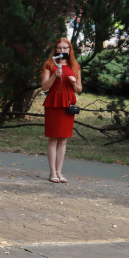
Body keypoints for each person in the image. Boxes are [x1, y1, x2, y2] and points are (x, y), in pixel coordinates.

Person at [41, 38, 83, 183]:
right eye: (59, 48)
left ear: (70, 50)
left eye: (65, 48)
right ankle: (52, 172)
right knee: (53, 139)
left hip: (68, 104)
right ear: (55, 49)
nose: (62, 50)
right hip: (53, 103)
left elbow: (79, 89)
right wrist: (54, 76)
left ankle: (59, 172)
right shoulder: (49, 64)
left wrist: (73, 82)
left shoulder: (75, 66)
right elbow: (44, 87)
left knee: (63, 140)